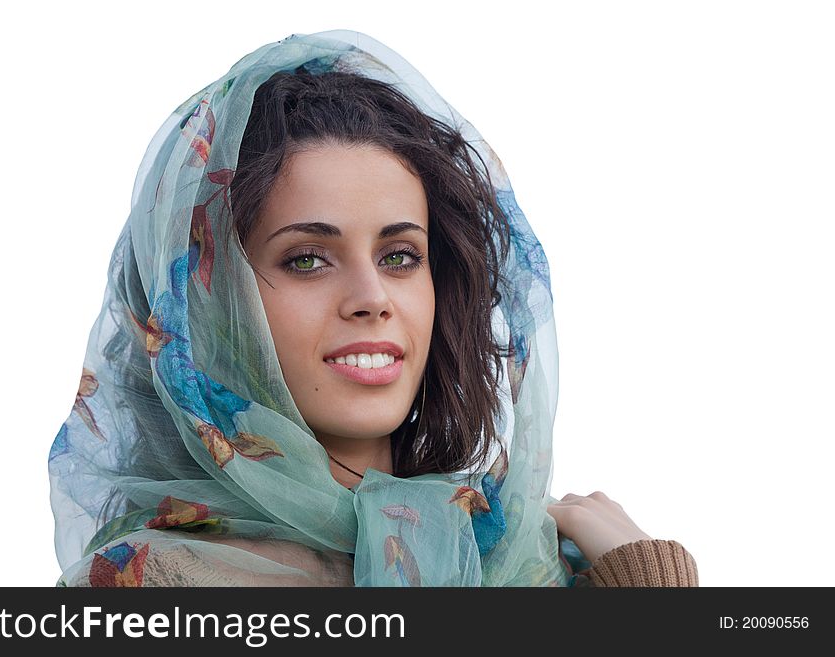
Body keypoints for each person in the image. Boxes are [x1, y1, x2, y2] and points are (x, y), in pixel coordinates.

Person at [49, 29, 698, 587]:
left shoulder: (534, 558)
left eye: (400, 256)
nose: (372, 298)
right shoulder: (146, 586)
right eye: (306, 258)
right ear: (207, 306)